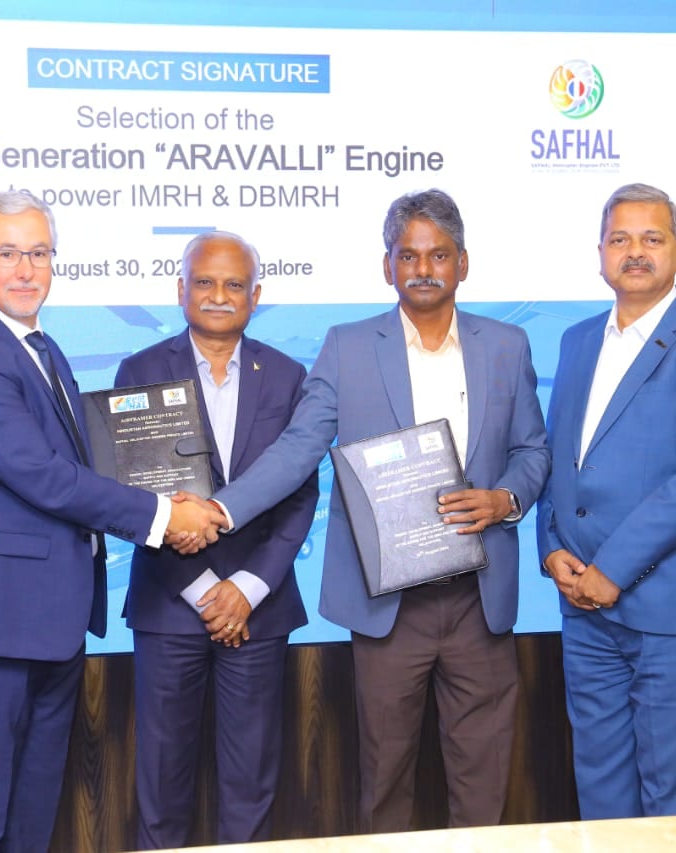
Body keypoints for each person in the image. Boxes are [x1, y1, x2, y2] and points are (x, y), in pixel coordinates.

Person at [212, 189, 549, 831]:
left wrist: (505, 499)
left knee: (483, 784)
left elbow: (532, 450)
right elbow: (298, 449)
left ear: (463, 263)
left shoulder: (508, 345)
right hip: (388, 604)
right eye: (408, 255)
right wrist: (222, 510)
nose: (423, 268)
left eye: (439, 255)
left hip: (480, 597)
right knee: (383, 781)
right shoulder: (347, 346)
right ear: (387, 265)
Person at [0, 190, 225, 852]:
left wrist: (167, 493)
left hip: (48, 623)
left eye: (39, 252)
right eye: (8, 252)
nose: (26, 269)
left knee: (31, 820)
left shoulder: (40, 345)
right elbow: (42, 475)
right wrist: (164, 514)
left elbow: (78, 463)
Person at [537, 183, 676, 818]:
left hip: (674, 612)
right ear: (600, 253)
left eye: (652, 239)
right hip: (584, 610)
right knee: (602, 793)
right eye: (620, 239)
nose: (635, 252)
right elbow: (558, 459)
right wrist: (551, 548)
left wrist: (611, 569)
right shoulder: (577, 340)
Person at [116, 231, 318, 847]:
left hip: (259, 608)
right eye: (204, 282)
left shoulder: (286, 375)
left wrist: (248, 589)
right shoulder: (140, 371)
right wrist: (210, 592)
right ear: (182, 289)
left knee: (251, 782)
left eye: (234, 284)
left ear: (255, 295)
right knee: (161, 783)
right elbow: (133, 496)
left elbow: (301, 492)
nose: (218, 295)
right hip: (170, 602)